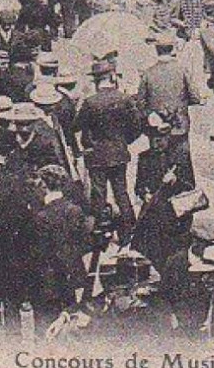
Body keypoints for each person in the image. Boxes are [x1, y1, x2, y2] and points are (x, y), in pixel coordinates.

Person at [74, 59, 143, 232]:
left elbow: (76, 125)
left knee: (98, 193)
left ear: (96, 81)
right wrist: (124, 141)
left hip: (97, 155)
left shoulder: (91, 102)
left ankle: (99, 229)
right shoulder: (124, 99)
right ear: (112, 77)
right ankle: (129, 227)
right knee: (121, 191)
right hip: (119, 152)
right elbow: (136, 126)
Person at [137, 33, 201, 190]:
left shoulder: (148, 73)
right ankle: (185, 200)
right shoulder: (182, 70)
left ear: (156, 50)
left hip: (157, 128)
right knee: (182, 164)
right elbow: (195, 97)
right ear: (172, 49)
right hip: (179, 126)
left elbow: (140, 103)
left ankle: (161, 201)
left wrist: (153, 114)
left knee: (158, 166)